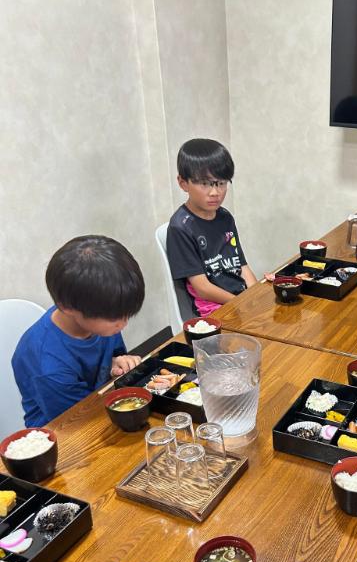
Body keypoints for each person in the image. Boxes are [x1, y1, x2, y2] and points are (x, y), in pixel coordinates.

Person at [12, 235, 144, 427]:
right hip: (65, 431)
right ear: (68, 307)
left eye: (126, 315)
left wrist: (117, 363)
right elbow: (78, 419)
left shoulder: (101, 312)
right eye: (115, 317)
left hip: (101, 406)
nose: (123, 324)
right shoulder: (47, 363)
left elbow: (111, 364)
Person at [166, 138, 257, 318]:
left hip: (238, 298)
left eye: (221, 183)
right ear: (183, 183)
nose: (215, 192)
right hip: (212, 309)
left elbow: (242, 266)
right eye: (205, 183)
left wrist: (256, 295)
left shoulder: (225, 217)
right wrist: (241, 304)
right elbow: (202, 288)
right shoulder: (180, 227)